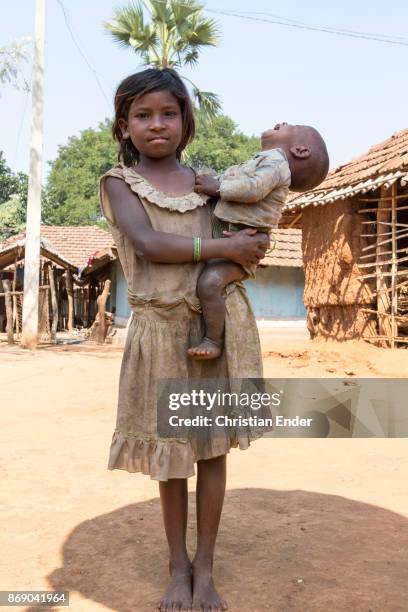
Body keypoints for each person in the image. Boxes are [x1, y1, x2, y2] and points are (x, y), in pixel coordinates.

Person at [99, 68, 270, 612]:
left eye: (168, 114)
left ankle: (207, 568)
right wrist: (221, 251)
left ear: (186, 121)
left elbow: (249, 240)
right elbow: (149, 244)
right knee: (172, 458)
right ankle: (177, 568)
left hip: (213, 328)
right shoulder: (119, 183)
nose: (157, 125)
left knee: (212, 451)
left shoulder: (211, 184)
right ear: (124, 127)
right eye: (143, 116)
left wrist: (245, 245)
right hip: (161, 332)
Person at [189, 123, 329, 360]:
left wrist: (218, 187)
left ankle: (213, 339)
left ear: (300, 150)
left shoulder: (276, 162)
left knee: (209, 283)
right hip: (232, 235)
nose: (282, 123)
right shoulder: (263, 161)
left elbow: (254, 189)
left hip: (246, 242)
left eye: (290, 126)